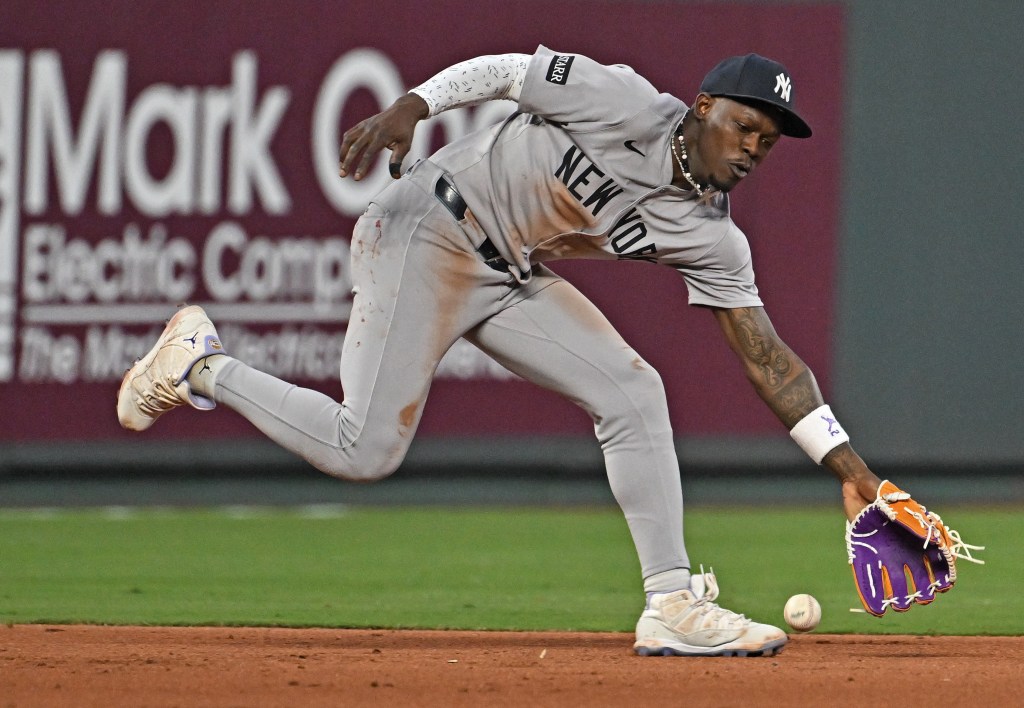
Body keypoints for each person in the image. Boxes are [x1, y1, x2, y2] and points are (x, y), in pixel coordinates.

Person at [117, 47, 883, 657]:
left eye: (768, 143)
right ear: (704, 107)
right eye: (745, 127)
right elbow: (506, 73)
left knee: (632, 391)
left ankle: (672, 604)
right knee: (365, 449)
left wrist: (855, 476)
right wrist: (412, 106)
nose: (753, 149)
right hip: (424, 227)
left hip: (507, 271)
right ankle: (198, 363)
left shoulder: (712, 236)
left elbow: (769, 360)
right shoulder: (620, 99)